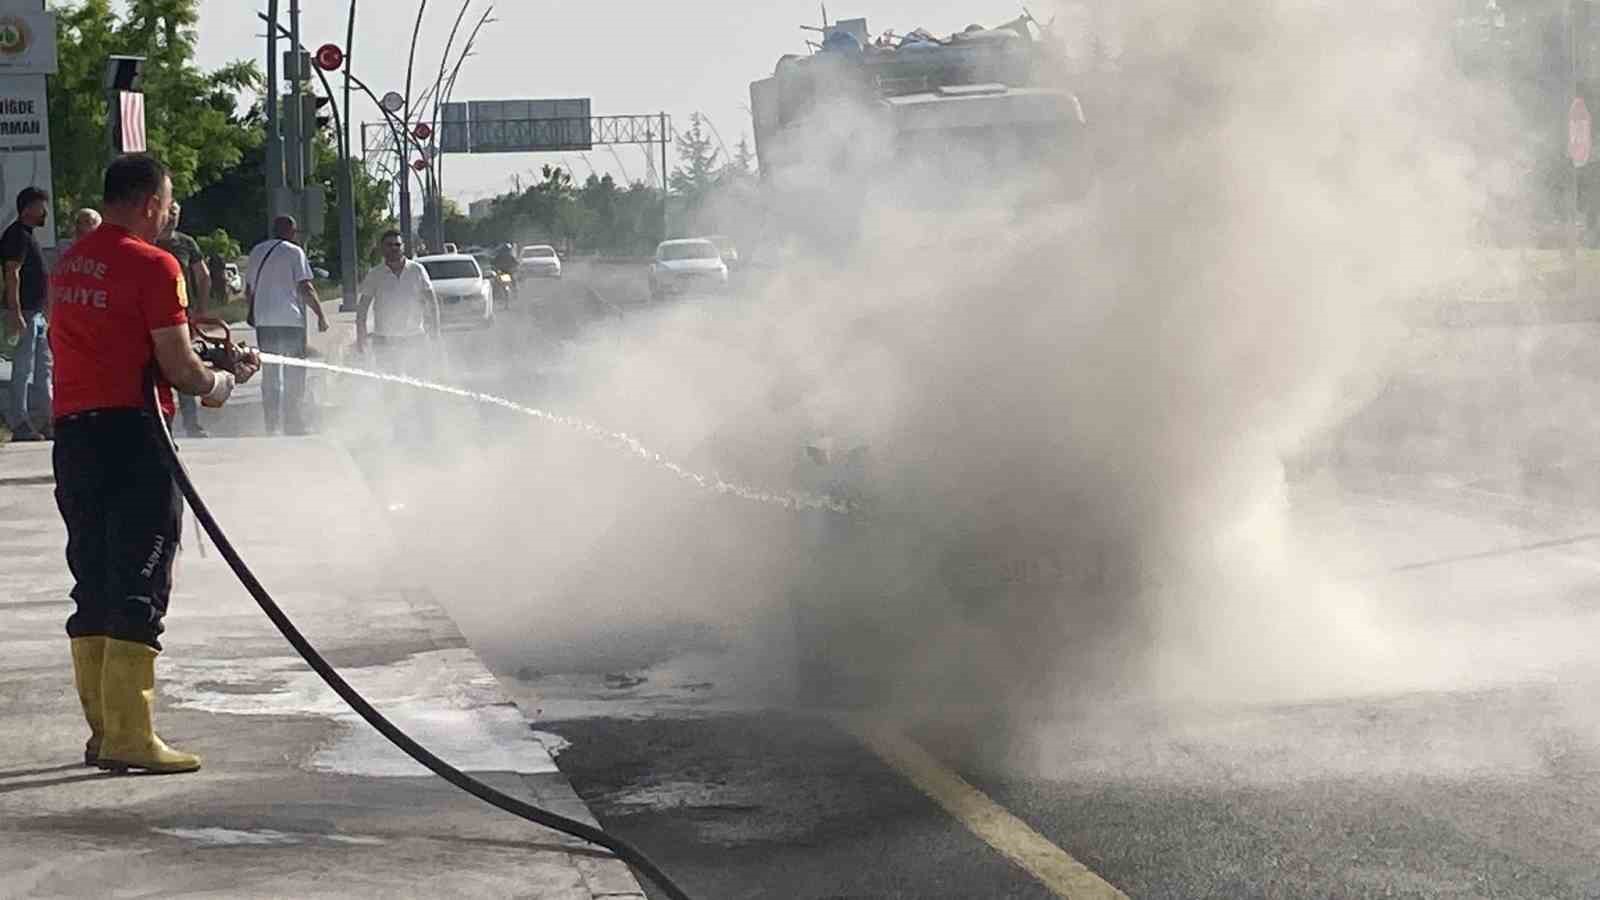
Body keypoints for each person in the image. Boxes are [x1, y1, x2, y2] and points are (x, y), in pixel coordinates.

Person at [50, 153, 259, 774]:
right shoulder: (155, 263)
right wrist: (221, 383)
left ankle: (102, 731)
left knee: (93, 581)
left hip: (76, 439)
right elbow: (178, 367)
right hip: (134, 439)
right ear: (148, 203)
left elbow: (120, 338)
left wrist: (199, 358)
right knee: (141, 581)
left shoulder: (70, 262)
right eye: (168, 202)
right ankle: (131, 737)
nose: (170, 213)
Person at [244, 215, 327, 435]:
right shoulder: (294, 252)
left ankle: (271, 424)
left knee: (270, 373)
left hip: (265, 322)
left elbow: (249, 290)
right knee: (294, 373)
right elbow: (305, 287)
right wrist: (320, 315)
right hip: (290, 321)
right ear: (291, 231)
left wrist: (254, 311)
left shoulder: (257, 251)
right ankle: (293, 423)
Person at [356, 229, 440, 447]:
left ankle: (427, 434)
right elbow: (363, 308)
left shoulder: (417, 270)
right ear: (382, 249)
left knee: (421, 388)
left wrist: (435, 333)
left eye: (398, 245)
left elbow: (430, 302)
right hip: (385, 341)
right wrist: (361, 337)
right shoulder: (375, 274)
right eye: (390, 245)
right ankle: (399, 434)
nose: (394, 249)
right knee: (391, 391)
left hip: (415, 339)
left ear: (403, 247)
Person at [158, 202, 213, 438]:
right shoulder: (149, 240)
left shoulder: (185, 243)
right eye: (168, 213)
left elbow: (203, 276)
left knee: (185, 363)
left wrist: (201, 307)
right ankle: (161, 423)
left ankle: (191, 422)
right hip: (153, 313)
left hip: (182, 314)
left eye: (176, 214)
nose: (172, 218)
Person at [4, 186, 51, 441]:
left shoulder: (28, 235)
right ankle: (20, 422)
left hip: (37, 314)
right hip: (24, 313)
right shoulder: (16, 236)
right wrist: (15, 312)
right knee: (22, 370)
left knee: (43, 368)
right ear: (29, 208)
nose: (45, 212)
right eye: (42, 206)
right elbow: (12, 272)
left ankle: (45, 420)